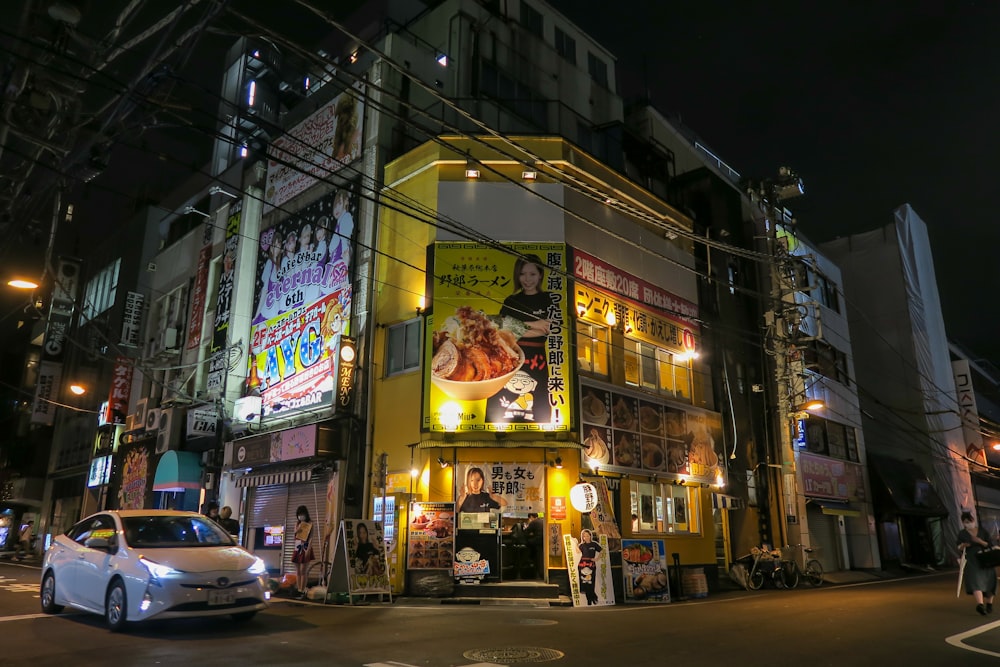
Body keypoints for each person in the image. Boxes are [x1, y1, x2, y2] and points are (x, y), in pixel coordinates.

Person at [487, 254, 554, 423]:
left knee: (538, 396)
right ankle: (497, 425)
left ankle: (541, 423)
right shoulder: (512, 300)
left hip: (536, 357)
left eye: (532, 274)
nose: (527, 279)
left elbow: (546, 329)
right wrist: (535, 324)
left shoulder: (547, 299)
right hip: (511, 354)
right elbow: (501, 329)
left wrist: (514, 327)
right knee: (501, 393)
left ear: (540, 274)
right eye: (522, 274)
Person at [958, 511, 997, 615]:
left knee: (990, 580)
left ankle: (989, 603)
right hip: (971, 559)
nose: (967, 523)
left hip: (985, 558)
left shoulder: (982, 531)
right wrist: (964, 545)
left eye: (969, 521)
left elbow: (990, 544)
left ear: (973, 520)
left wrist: (979, 541)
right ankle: (980, 604)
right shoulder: (962, 533)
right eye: (965, 522)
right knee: (975, 580)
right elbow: (958, 546)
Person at [292, 505, 314, 598]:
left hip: (305, 547)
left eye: (302, 514)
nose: (301, 516)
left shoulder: (310, 523)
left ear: (306, 514)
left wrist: (309, 549)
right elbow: (295, 532)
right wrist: (299, 528)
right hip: (297, 546)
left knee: (303, 570)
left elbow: (311, 537)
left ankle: (302, 589)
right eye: (299, 514)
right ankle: (298, 589)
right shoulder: (297, 523)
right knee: (298, 571)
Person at [577, 528, 603, 605]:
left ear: (590, 536)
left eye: (587, 536)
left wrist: (597, 559)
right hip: (582, 564)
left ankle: (593, 597)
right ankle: (590, 600)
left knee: (591, 582)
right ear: (582, 537)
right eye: (584, 536)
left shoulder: (594, 544)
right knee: (584, 582)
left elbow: (601, 551)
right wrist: (575, 544)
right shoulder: (582, 545)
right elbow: (577, 552)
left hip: (591, 564)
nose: (586, 537)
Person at [524, 513, 545, 579]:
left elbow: (526, 532)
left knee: (526, 543)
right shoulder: (542, 521)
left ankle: (528, 561)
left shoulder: (534, 522)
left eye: (529, 518)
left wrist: (529, 524)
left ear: (531, 517)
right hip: (543, 542)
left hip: (537, 542)